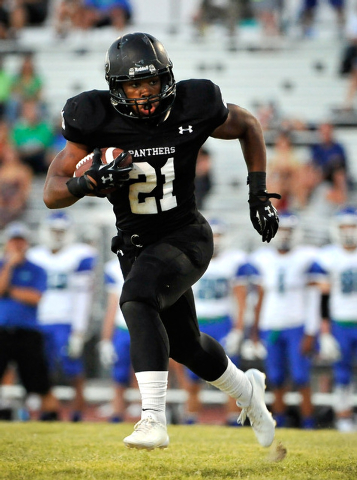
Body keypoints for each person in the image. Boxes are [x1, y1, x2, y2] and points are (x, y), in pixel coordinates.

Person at [42, 32, 280, 450]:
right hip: (136, 244)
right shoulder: (92, 116)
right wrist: (86, 183)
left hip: (186, 234)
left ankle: (152, 418)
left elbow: (248, 125)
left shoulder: (195, 103)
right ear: (117, 88)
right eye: (134, 84)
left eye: (151, 81)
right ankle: (251, 395)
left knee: (136, 299)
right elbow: (52, 192)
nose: (145, 92)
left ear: (166, 78)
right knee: (188, 345)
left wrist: (258, 193)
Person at [240, 212, 321, 429]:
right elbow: (257, 297)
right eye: (280, 230)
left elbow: (314, 297)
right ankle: (280, 422)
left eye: (288, 230)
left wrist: (312, 330)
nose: (284, 235)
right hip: (270, 325)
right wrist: (254, 330)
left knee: (301, 377)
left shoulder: (307, 257)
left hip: (297, 324)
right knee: (275, 378)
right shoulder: (261, 258)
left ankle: (309, 424)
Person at [27, 211, 98, 422]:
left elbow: (84, 297)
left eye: (61, 231)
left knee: (73, 369)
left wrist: (79, 329)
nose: (57, 234)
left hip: (66, 320)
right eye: (54, 230)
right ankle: (41, 410)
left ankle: (78, 412)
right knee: (39, 369)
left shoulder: (80, 255)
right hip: (39, 320)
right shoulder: (34, 255)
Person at [183, 219, 248, 426]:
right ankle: (191, 419)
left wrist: (238, 330)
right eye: (213, 234)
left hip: (222, 322)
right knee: (192, 377)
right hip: (196, 322)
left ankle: (232, 420)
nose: (215, 240)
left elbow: (241, 299)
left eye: (219, 235)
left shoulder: (234, 261)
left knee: (229, 376)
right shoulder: (189, 258)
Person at [0, 221, 60, 420]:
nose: (17, 245)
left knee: (39, 380)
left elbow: (35, 297)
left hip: (27, 330)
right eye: (13, 241)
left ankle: (51, 416)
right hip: (2, 329)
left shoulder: (36, 269)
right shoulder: (3, 266)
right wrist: (9, 266)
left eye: (20, 241)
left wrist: (10, 291)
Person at [311, 207, 357, 432]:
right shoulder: (328, 256)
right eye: (344, 227)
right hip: (340, 323)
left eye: (353, 226)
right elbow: (323, 298)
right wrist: (326, 331)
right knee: (342, 373)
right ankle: (344, 417)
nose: (348, 232)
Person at [98, 256, 131, 423]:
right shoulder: (114, 266)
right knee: (119, 376)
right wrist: (106, 339)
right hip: (123, 328)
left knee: (154, 373)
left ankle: (155, 416)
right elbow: (113, 305)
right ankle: (117, 415)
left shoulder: (158, 259)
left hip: (151, 326)